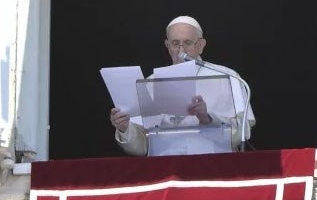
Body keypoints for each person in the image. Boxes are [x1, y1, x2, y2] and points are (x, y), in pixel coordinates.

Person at [109, 15, 255, 156]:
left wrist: (207, 119)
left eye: (187, 43)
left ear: (201, 45)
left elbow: (243, 133)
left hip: (213, 165)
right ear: (167, 46)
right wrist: (125, 128)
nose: (181, 51)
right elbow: (142, 146)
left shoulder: (227, 77)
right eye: (175, 43)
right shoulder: (150, 84)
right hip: (165, 168)